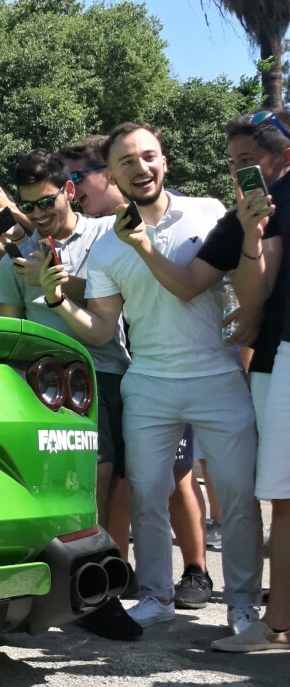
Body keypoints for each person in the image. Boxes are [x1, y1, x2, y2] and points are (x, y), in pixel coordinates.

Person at [40, 123, 263, 636]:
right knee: (145, 495)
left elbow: (217, 283)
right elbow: (100, 329)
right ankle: (157, 596)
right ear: (113, 176)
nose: (141, 168)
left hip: (218, 375)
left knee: (236, 496)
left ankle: (244, 607)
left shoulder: (208, 212)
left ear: (164, 162)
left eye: (149, 157)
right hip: (150, 383)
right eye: (127, 162)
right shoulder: (107, 248)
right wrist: (57, 301)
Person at [0, 149, 138, 640]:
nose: (39, 214)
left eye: (47, 201)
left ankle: (104, 586)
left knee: (107, 484)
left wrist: (53, 284)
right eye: (29, 206)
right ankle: (70, 594)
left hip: (103, 373)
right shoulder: (15, 258)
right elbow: (6, 329)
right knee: (64, 487)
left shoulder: (102, 236)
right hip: (44, 386)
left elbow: (112, 304)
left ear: (70, 190)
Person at [203, 110, 290, 651]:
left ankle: (277, 624)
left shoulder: (276, 203)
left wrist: (253, 235)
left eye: (248, 162)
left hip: (284, 358)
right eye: (233, 163)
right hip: (275, 355)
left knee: (284, 499)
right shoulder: (260, 210)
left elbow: (253, 298)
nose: (239, 173)